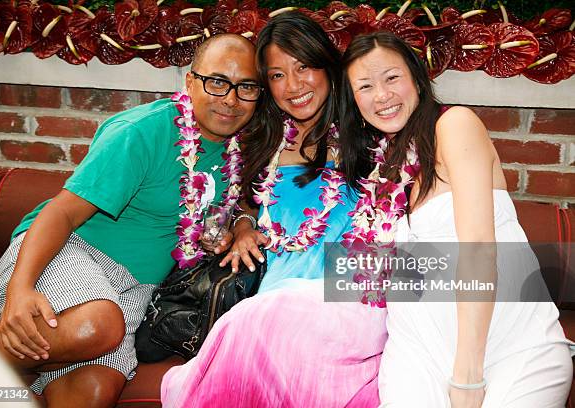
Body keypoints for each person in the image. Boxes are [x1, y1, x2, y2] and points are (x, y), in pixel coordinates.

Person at [0, 34, 259, 408]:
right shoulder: (142, 132)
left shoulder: (238, 147)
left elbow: (241, 199)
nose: (230, 98)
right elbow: (61, 212)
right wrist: (21, 289)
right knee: (98, 325)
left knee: (95, 393)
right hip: (68, 255)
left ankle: (15, 372)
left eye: (246, 87)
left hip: (138, 290)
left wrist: (242, 225)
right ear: (190, 81)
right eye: (217, 82)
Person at [161, 12, 387, 407]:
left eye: (303, 67)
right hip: (272, 299)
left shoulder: (371, 137)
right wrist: (246, 224)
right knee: (257, 326)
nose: (293, 86)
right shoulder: (264, 141)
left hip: (342, 301)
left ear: (327, 67)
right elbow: (245, 202)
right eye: (277, 75)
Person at [339, 31, 574, 407]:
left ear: (416, 78)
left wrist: (467, 375)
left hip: (508, 348)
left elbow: (479, 247)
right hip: (417, 353)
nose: (381, 95)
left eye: (392, 78)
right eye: (365, 86)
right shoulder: (382, 167)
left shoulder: (455, 125)